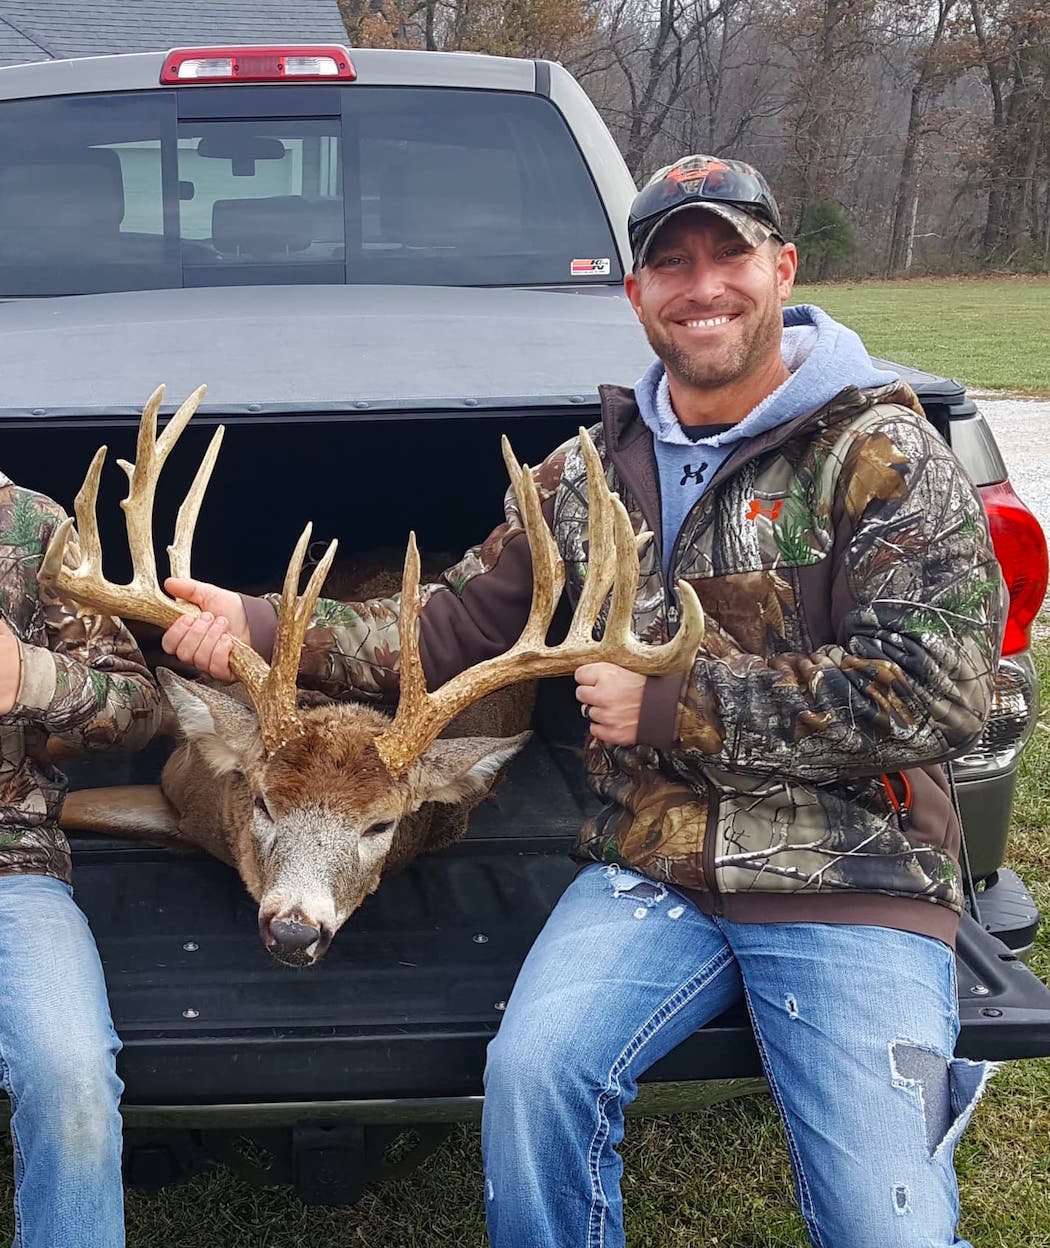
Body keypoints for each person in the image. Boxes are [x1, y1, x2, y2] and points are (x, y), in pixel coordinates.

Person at [161, 155, 1005, 1248]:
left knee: (879, 1221)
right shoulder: (585, 476)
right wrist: (258, 621)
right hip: (651, 864)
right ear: (637, 294)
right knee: (533, 1079)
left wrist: (675, 705)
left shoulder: (883, 459)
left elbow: (942, 694)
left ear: (781, 268)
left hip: (849, 874)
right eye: (672, 263)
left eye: (729, 256)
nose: (703, 287)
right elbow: (443, 625)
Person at [0, 480, 161, 1248]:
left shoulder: (31, 528)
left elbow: (140, 707)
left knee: (70, 1073)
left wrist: (31, 678)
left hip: (10, 867)